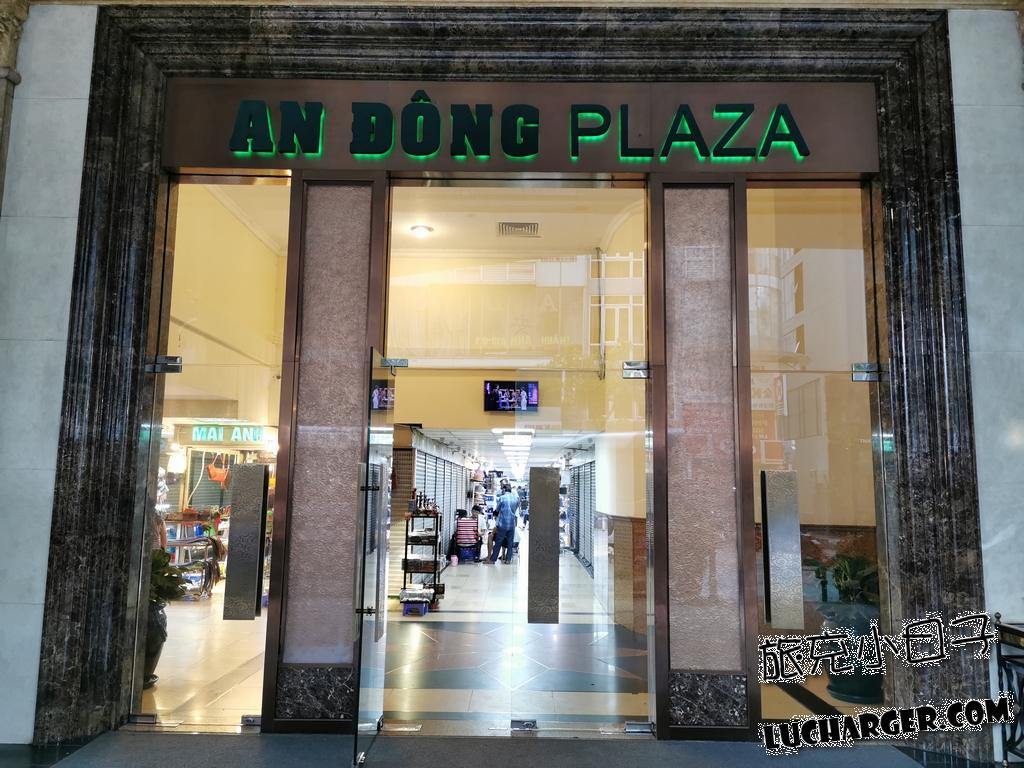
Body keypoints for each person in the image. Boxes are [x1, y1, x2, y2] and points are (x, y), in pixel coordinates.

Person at [488, 482, 520, 564]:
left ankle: (493, 559)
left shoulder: (502, 498)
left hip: (503, 523)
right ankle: (508, 560)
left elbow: (497, 509)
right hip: (512, 524)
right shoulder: (515, 499)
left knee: (498, 541)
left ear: (504, 490)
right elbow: (515, 508)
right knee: (510, 542)